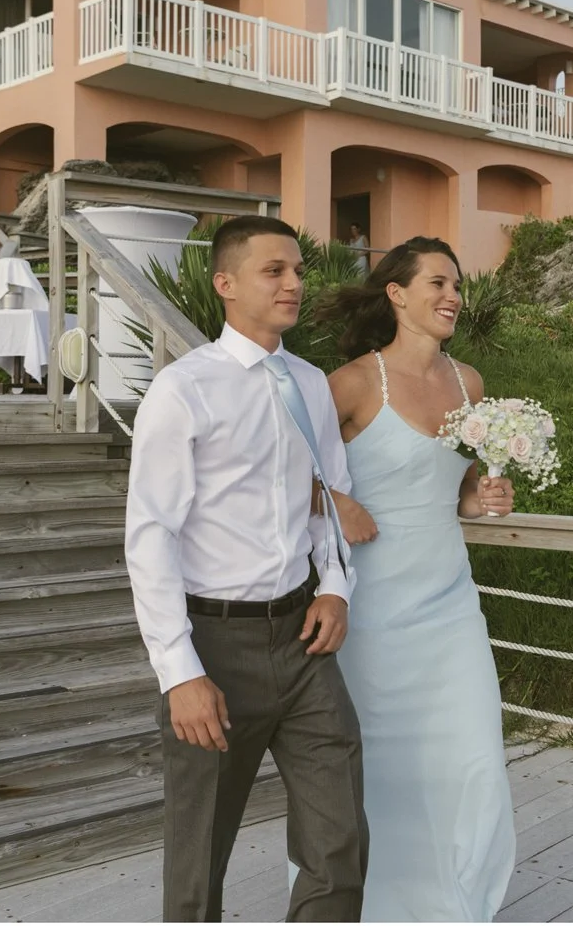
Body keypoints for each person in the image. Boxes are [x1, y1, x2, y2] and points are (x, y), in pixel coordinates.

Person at [124, 215, 380, 921]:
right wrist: (180, 672)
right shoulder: (185, 390)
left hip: (302, 640)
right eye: (275, 270)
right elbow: (150, 536)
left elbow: (328, 494)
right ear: (226, 284)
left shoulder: (309, 384)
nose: (295, 282)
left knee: (338, 842)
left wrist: (334, 587)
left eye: (298, 269)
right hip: (214, 643)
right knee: (198, 861)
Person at [304, 236, 515, 921]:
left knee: (476, 757)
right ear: (396, 293)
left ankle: (459, 906)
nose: (453, 295)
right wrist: (336, 499)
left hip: (450, 603)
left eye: (457, 284)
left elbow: (452, 492)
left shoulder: (470, 383)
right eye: (437, 282)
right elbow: (278, 472)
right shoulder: (354, 383)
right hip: (370, 611)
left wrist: (480, 499)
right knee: (380, 773)